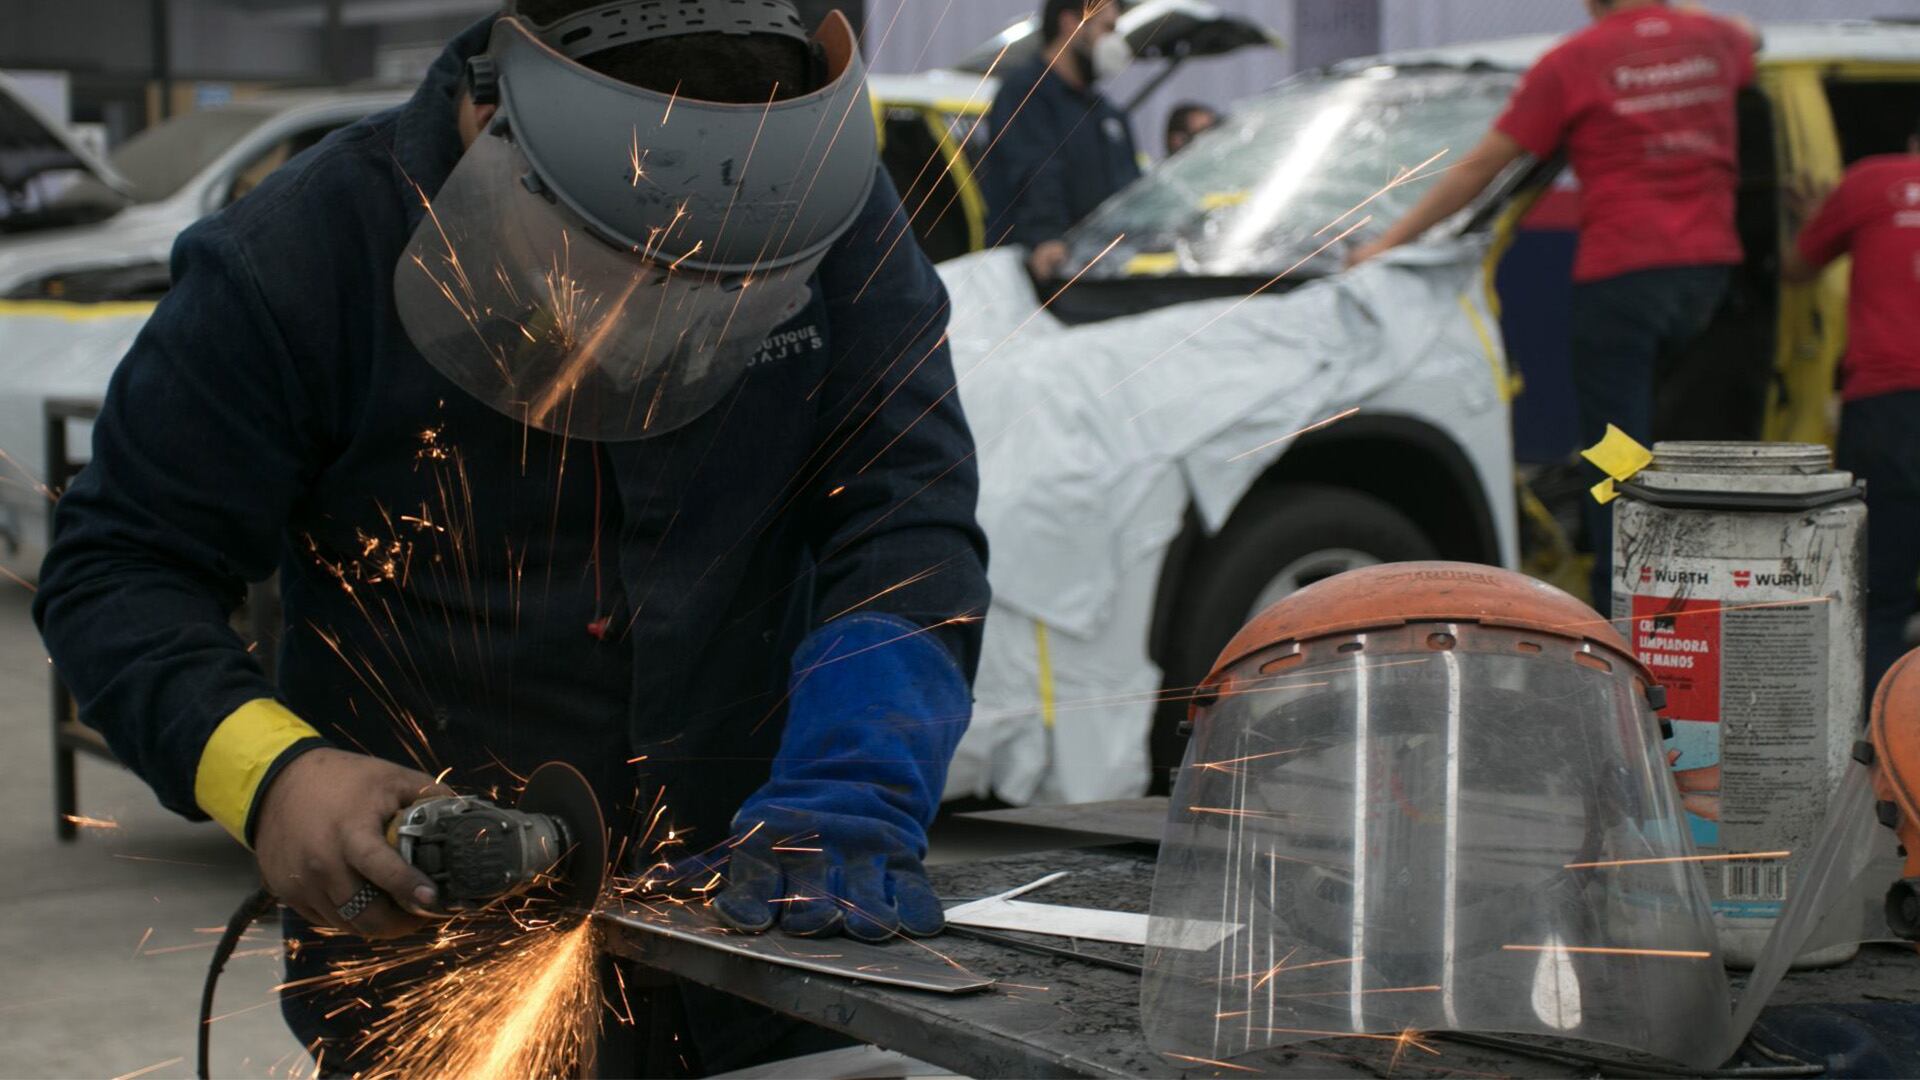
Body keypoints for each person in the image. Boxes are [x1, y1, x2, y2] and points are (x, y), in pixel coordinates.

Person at [33, 1, 989, 1074]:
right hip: (435, 978)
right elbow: (119, 569)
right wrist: (273, 776)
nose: (661, 325)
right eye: (622, 267)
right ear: (495, 123)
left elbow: (906, 521)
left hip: (770, 957)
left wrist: (853, 784)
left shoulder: (826, 214)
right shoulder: (300, 257)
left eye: (714, 291)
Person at [1349, 0, 1757, 607]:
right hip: (1709, 278)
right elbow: (1752, 36)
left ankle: (1619, 598)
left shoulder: (1572, 62)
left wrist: (1384, 242)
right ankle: (1697, 590)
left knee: (1617, 448)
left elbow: (1483, 165)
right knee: (1681, 443)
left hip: (1623, 278)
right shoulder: (1713, 39)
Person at [1785, 123, 1920, 693]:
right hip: (1887, 404)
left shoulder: (1871, 181)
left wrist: (1815, 216)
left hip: (1887, 408)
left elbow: (1796, 268)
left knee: (1880, 595)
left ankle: (1882, 751)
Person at [981, 0, 1141, 280]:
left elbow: (1130, 189)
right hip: (1041, 276)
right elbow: (1034, 172)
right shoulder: (1024, 94)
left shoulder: (1105, 112)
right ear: (1071, 24)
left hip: (1102, 276)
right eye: (1108, 28)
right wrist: (1046, 236)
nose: (1114, 42)